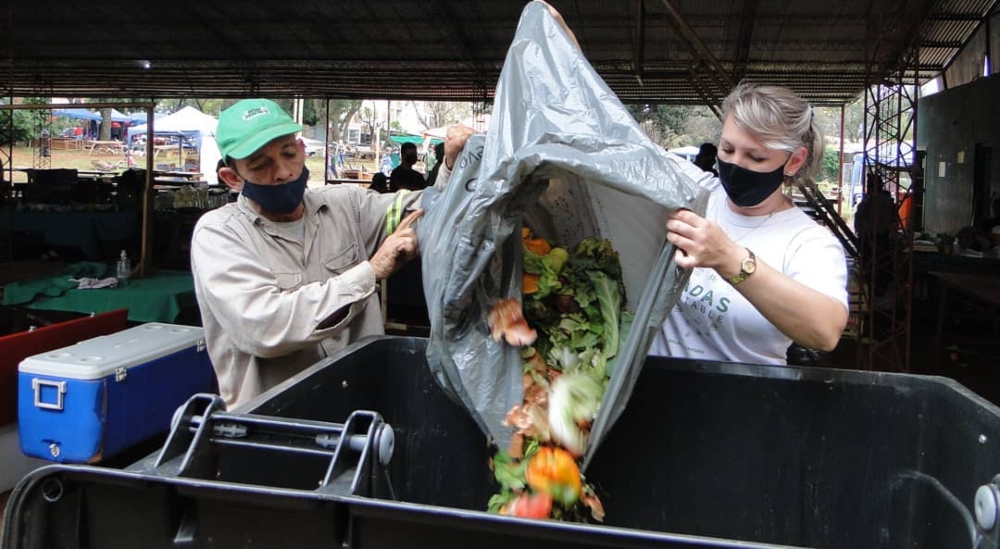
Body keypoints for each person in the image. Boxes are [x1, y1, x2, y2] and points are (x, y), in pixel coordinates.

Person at [190, 98, 472, 408]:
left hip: (361, 414)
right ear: (233, 177)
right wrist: (370, 273)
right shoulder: (220, 234)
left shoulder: (346, 206)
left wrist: (450, 167)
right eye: (261, 165)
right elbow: (265, 327)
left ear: (301, 148)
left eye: (288, 154)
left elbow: (425, 211)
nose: (283, 172)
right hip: (278, 427)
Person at [650, 82, 849, 364]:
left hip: (742, 398)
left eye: (755, 157)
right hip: (654, 386)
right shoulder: (694, 192)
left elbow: (826, 332)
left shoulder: (809, 242)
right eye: (727, 149)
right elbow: (615, 133)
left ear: (794, 161)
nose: (735, 164)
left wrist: (728, 258)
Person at [854, 173, 897, 296]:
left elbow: (861, 217)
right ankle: (876, 293)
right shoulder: (885, 199)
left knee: (872, 267)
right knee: (880, 266)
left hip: (872, 238)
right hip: (879, 238)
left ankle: (873, 295)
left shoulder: (872, 200)